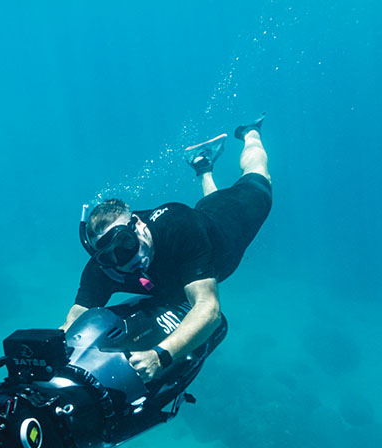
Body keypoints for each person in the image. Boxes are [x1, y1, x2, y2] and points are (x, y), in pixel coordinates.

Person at [61, 115, 272, 383]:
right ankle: (203, 166)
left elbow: (209, 310)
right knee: (207, 205)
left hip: (231, 221)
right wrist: (54, 345)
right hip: (203, 221)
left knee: (258, 179)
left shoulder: (178, 227)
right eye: (109, 257)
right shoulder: (104, 267)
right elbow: (77, 314)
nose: (124, 262)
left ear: (137, 224)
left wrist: (160, 355)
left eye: (126, 245)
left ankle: (250, 133)